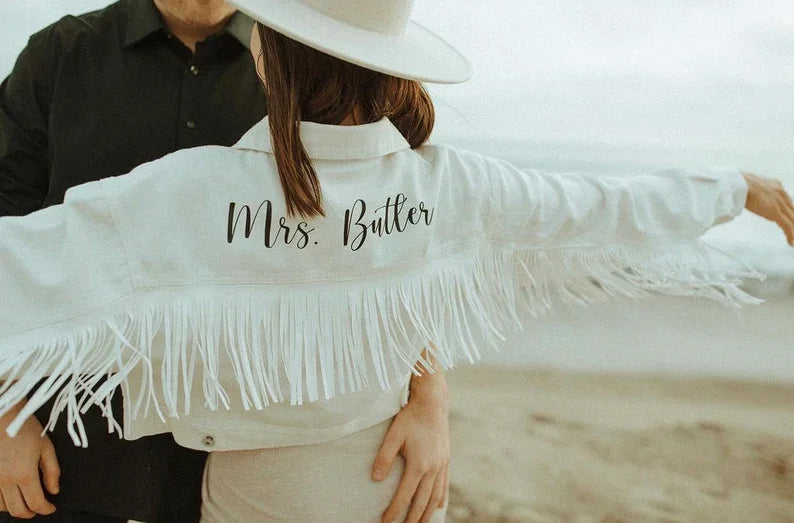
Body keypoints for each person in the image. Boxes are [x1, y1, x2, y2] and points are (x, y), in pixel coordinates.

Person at [0, 0, 792, 522]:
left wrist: (434, 392)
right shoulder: (449, 184)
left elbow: (22, 264)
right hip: (395, 487)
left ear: (272, 63)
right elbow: (597, 207)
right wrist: (734, 189)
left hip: (261, 491)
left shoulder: (192, 192)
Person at [0, 0, 451, 521]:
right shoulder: (59, 55)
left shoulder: (302, 58)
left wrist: (430, 394)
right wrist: (6, 413)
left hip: (239, 462)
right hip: (61, 446)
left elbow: (387, 236)